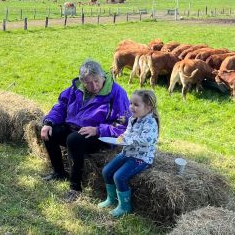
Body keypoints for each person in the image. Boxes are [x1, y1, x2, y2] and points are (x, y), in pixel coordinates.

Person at [40, 60, 130, 202]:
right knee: (50, 132)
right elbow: (61, 106)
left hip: (100, 136)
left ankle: (75, 188)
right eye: (88, 83)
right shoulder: (76, 88)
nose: (93, 86)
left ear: (103, 76)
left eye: (96, 81)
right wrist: (49, 122)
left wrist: (97, 130)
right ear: (82, 81)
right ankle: (59, 172)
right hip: (74, 127)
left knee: (74, 140)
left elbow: (123, 125)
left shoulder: (117, 93)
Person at [98, 89, 159, 218]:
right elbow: (127, 133)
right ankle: (112, 199)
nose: (131, 107)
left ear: (148, 107)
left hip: (141, 157)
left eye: (136, 105)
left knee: (119, 177)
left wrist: (129, 140)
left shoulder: (150, 123)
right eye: (131, 103)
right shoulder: (133, 118)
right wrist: (121, 137)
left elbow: (147, 140)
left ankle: (125, 206)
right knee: (106, 171)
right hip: (127, 152)